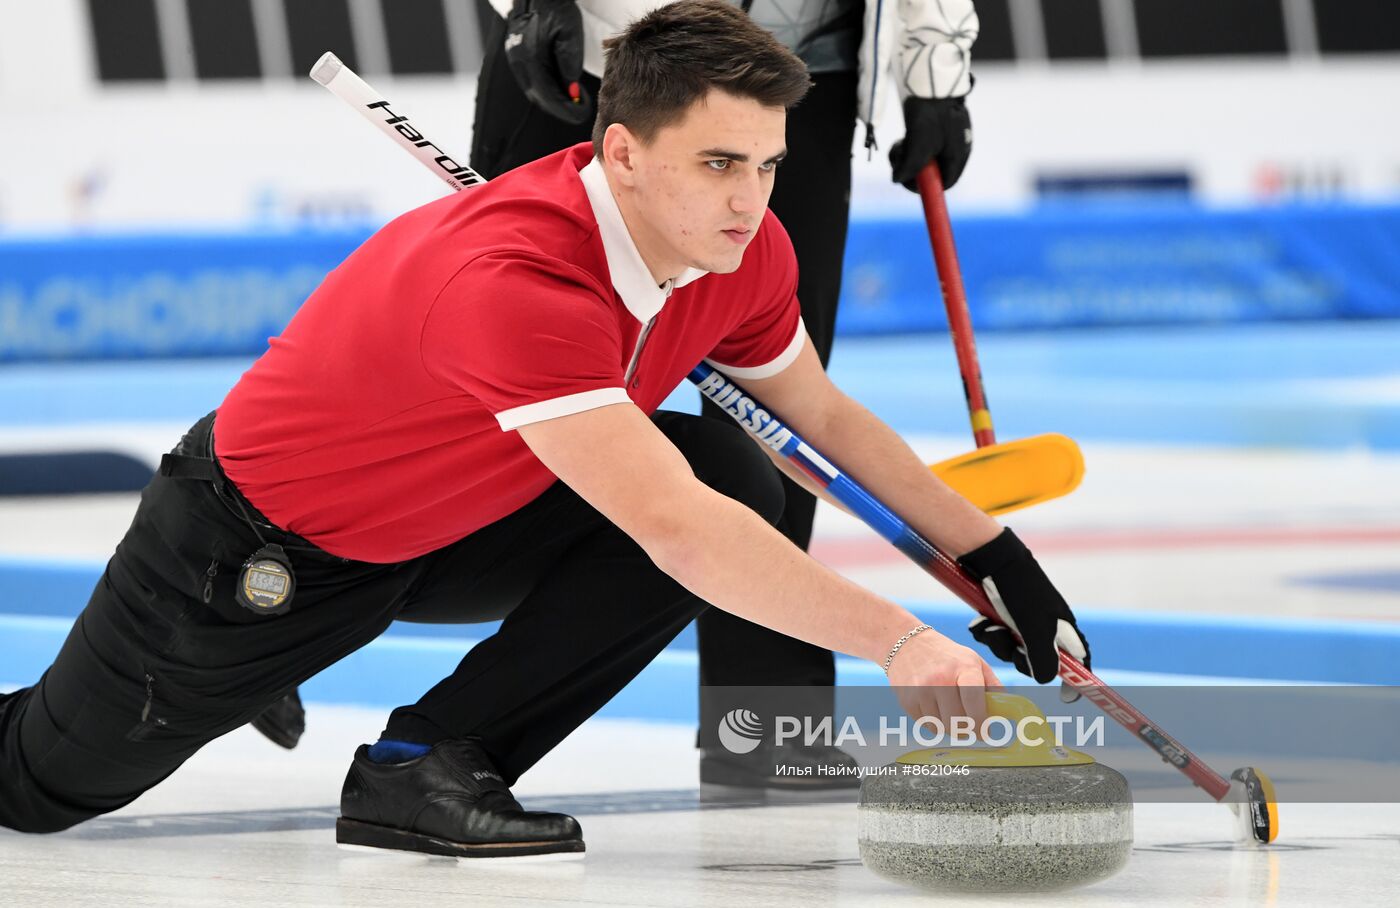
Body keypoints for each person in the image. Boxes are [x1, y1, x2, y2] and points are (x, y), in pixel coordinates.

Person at [0, 1, 1086, 859]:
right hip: (256, 545)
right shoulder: (517, 281)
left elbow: (819, 414)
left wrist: (992, 557)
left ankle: (430, 757)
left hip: (450, 526)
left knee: (724, 466)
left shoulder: (741, 251)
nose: (752, 200)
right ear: (618, 153)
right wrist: (899, 637)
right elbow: (681, 536)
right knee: (38, 788)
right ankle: (237, 674)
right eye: (717, 163)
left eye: (766, 164)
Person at [433, 0, 981, 789]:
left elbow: (805, 413)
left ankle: (765, 722)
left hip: (792, 81)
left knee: (776, 412)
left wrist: (937, 69)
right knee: (509, 396)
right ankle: (289, 607)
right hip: (600, 67)